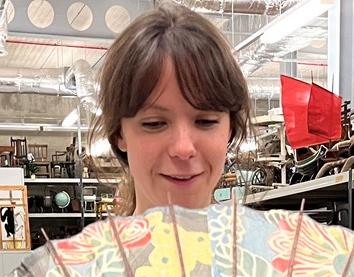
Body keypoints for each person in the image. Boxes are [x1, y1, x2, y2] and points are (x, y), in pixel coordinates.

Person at [95, 4, 252, 216]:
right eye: (154, 123)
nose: (183, 148)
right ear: (119, 133)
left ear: (230, 129)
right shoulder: (94, 250)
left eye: (205, 121)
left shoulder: (265, 247)